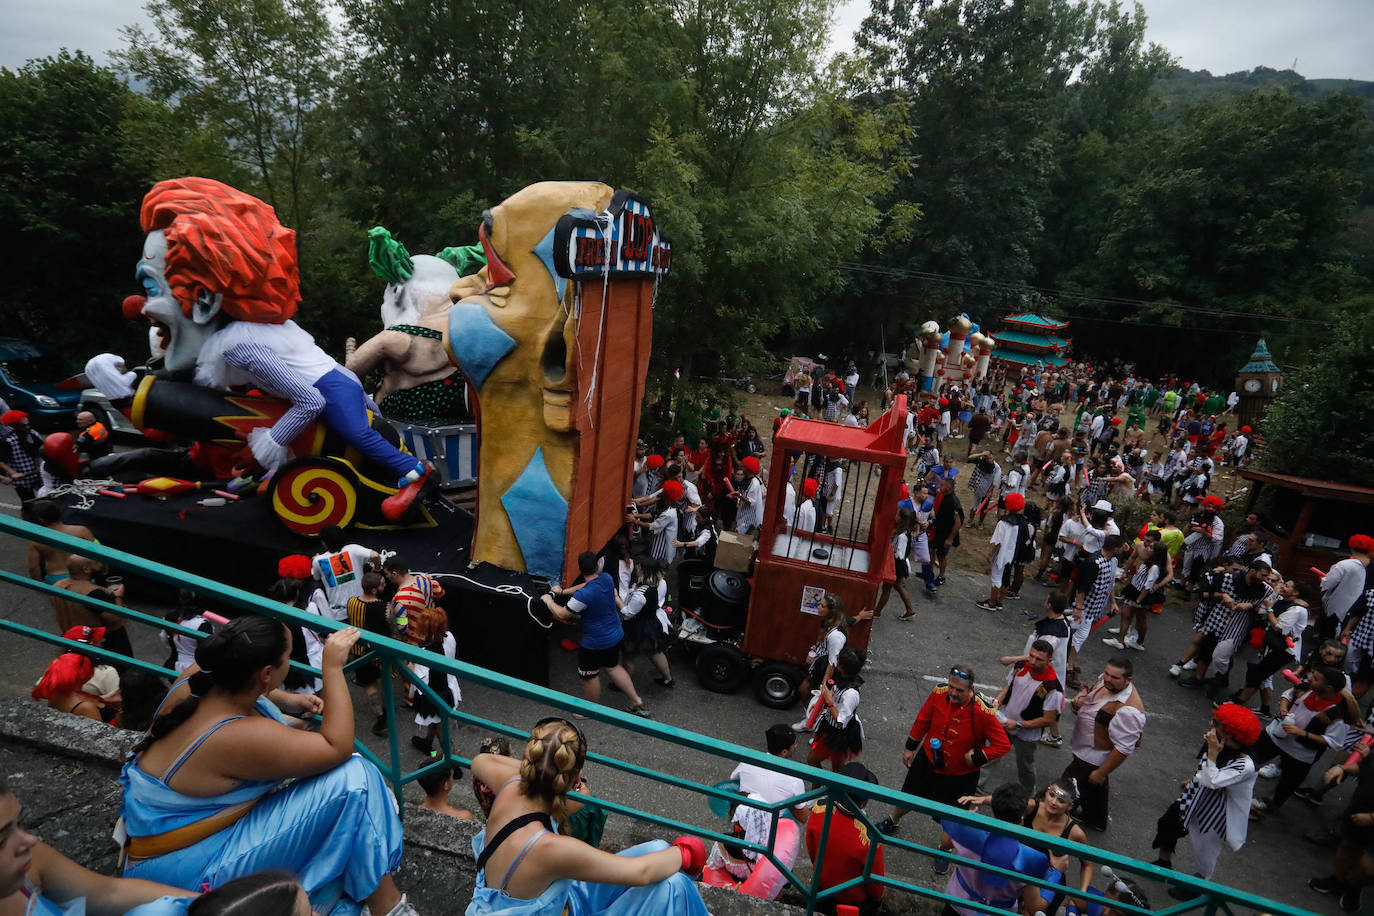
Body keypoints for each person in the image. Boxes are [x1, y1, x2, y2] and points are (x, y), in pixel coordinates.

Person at [118, 615, 416, 916]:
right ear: (267, 673)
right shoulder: (235, 736)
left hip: (161, 849)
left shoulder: (201, 675)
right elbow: (336, 747)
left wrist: (287, 700)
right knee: (357, 780)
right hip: (190, 872)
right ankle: (388, 907)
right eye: (288, 657)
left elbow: (253, 686)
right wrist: (333, 668)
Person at [466, 718, 710, 915]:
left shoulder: (509, 784)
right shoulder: (550, 848)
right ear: (574, 778)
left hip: (552, 902)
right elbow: (641, 872)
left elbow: (480, 760)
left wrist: (538, 773)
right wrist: (685, 853)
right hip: (554, 905)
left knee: (658, 848)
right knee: (674, 886)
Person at [0, 774, 196, 916]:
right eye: (2, 840)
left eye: (20, 824)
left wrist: (213, 903)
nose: (30, 840)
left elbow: (108, 894)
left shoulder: (30, 860)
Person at [877, 666, 1011, 835]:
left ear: (971, 689)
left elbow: (1003, 744)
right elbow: (923, 720)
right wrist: (910, 748)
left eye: (959, 690)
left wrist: (977, 758)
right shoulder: (939, 693)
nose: (953, 693)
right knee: (909, 797)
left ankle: (944, 849)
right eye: (951, 687)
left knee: (953, 818)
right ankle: (892, 820)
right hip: (928, 761)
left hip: (960, 775)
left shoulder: (983, 711)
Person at [1150, 703, 1261, 883]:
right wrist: (1193, 778)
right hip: (1194, 796)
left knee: (1205, 850)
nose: (1211, 724)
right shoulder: (1217, 742)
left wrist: (1212, 752)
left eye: (1216, 723)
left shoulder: (1245, 764)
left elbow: (1213, 781)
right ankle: (1164, 862)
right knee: (1168, 824)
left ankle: (1199, 884)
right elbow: (1204, 769)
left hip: (1216, 811)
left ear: (1229, 732)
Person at [542, 552, 650, 717]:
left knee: (589, 675)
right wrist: (563, 592)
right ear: (597, 566)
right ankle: (636, 700)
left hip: (595, 643)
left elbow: (563, 614)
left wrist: (549, 601)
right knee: (613, 667)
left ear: (580, 569)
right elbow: (585, 586)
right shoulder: (606, 578)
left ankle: (590, 710)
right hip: (615, 634)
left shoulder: (583, 596)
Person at [957, 780, 1092, 908]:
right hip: (1019, 873)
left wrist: (1083, 892)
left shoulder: (1075, 833)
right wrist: (983, 799)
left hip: (1048, 880)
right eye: (1051, 795)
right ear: (1046, 792)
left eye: (1061, 801)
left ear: (1070, 806)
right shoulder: (1032, 807)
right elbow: (1007, 803)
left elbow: (1087, 864)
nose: (1053, 802)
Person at [1249, 666, 1357, 817]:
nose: (1311, 678)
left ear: (1329, 687)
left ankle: (1264, 807)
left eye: (1316, 678)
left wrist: (1302, 733)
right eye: (1313, 674)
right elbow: (1287, 694)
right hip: (1275, 735)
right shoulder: (1306, 688)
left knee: (1287, 784)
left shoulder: (1339, 715)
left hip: (1300, 753)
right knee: (1248, 758)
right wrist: (1283, 707)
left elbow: (1334, 741)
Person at [707, 725, 810, 883]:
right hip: (771, 838)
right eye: (794, 745)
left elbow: (734, 782)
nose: (796, 747)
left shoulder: (748, 762)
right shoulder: (795, 780)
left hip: (742, 829)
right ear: (784, 752)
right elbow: (803, 817)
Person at [1062, 657, 1146, 831]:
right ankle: (1095, 819)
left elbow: (1123, 748)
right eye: (1106, 673)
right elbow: (1092, 696)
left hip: (1092, 756)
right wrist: (1080, 701)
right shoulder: (1106, 681)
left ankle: (1050, 817)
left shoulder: (1129, 711)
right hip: (1084, 745)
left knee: (1064, 788)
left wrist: (1101, 771)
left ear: (1128, 680)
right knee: (1094, 786)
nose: (1107, 679)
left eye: (1114, 677)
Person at [940, 784, 1050, 916]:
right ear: (1021, 819)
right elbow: (1034, 907)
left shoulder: (968, 835)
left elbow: (945, 843)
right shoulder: (1029, 859)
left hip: (958, 903)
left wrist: (962, 820)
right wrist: (1056, 873)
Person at [804, 762, 886, 916]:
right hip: (854, 899)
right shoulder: (869, 837)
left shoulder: (819, 809)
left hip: (821, 886)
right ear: (863, 803)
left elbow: (812, 847)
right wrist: (877, 900)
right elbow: (875, 882)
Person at [1308, 733, 1374, 911]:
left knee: (1369, 869)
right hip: (1359, 810)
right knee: (1347, 847)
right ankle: (1338, 880)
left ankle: (1354, 887)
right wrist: (1342, 769)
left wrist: (1372, 818)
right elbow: (1364, 768)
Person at [992, 641, 1064, 791]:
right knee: (991, 753)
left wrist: (1018, 724)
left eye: (1039, 659)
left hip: (1026, 734)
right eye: (1031, 656)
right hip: (1004, 721)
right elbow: (1008, 687)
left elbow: (1049, 719)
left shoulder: (1052, 688)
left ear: (1049, 661)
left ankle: (1028, 793)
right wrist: (997, 701)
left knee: (1025, 765)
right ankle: (978, 784)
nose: (1032, 661)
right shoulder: (1021, 666)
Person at [50, 554, 133, 663]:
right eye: (96, 562)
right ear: (86, 569)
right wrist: (118, 596)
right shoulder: (93, 593)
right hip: (102, 646)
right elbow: (114, 617)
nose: (100, 564)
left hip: (71, 641)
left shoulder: (57, 586)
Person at [406, 606, 462, 758]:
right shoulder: (449, 637)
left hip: (433, 694)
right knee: (435, 721)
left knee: (439, 726)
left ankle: (452, 760)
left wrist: (410, 667)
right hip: (449, 686)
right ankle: (428, 743)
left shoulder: (424, 652)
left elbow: (420, 680)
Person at [346, 571, 393, 736]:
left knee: (369, 684)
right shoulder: (386, 607)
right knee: (383, 681)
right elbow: (394, 626)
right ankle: (387, 712)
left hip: (359, 652)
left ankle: (381, 718)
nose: (385, 585)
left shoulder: (351, 602)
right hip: (380, 653)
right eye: (382, 583)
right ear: (374, 590)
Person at [807, 648, 866, 771]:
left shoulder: (851, 694)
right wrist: (821, 704)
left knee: (813, 761)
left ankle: (820, 786)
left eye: (838, 662)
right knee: (837, 768)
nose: (835, 662)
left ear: (843, 667)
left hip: (837, 734)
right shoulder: (842, 677)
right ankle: (829, 787)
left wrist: (829, 702)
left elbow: (841, 722)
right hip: (829, 726)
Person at [311, 527, 380, 621]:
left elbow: (316, 577)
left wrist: (317, 560)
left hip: (338, 614)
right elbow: (375, 555)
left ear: (324, 542)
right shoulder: (353, 549)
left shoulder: (318, 561)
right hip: (360, 608)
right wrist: (377, 568)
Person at [24, 499, 95, 584]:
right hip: (82, 574)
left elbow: (33, 567)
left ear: (41, 519)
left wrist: (36, 582)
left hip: (55, 578)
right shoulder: (81, 530)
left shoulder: (36, 540)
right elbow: (97, 553)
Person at [1320, 535, 1374, 639]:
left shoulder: (1344, 565)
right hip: (1356, 611)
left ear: (1352, 548)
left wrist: (1323, 579)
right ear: (1370, 551)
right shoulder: (1365, 567)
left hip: (1334, 610)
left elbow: (1328, 584)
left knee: (1327, 636)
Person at [383, 555, 444, 638]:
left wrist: (390, 616)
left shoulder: (399, 599)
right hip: (432, 633)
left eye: (387, 574)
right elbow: (440, 593)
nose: (387, 577)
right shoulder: (425, 579)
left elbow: (402, 627)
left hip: (415, 642)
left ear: (394, 574)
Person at [0, 410, 43, 500]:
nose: (27, 427)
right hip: (22, 479)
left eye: (28, 424)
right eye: (24, 426)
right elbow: (1, 461)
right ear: (14, 426)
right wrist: (13, 473)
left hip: (38, 474)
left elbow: (43, 449)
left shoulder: (32, 433)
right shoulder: (8, 441)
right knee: (29, 504)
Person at [930, 476, 965, 587]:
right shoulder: (945, 497)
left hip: (946, 535)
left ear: (948, 487)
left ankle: (941, 576)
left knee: (941, 555)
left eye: (942, 485)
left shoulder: (953, 501)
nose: (940, 486)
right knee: (932, 550)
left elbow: (958, 521)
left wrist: (950, 538)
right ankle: (929, 572)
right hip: (939, 531)